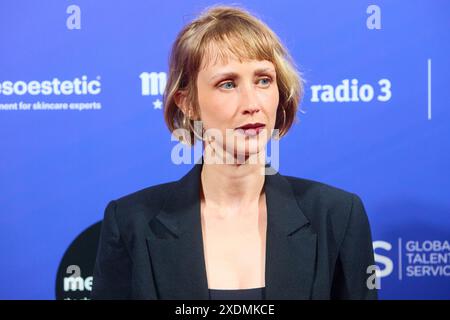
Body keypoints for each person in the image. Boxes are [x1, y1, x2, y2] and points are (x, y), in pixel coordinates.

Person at [91, 5, 378, 300]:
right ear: (187, 102)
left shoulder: (337, 215)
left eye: (263, 80)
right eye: (227, 84)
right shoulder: (130, 223)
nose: (251, 103)